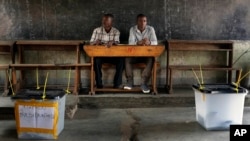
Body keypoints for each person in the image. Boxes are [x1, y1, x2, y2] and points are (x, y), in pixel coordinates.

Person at [124, 14, 158, 93]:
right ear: (137, 22)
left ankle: (144, 83)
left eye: (144, 21)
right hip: (135, 55)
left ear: (146, 22)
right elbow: (130, 43)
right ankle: (129, 82)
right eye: (140, 21)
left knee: (151, 59)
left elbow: (155, 42)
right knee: (127, 59)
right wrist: (139, 42)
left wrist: (149, 42)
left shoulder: (150, 29)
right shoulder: (132, 29)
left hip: (146, 55)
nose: (142, 23)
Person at [90, 14, 124, 89]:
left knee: (121, 60)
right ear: (102, 22)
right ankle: (99, 84)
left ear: (112, 23)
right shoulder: (96, 30)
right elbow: (90, 43)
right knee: (96, 61)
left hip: (113, 56)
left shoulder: (116, 31)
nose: (106, 24)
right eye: (104, 22)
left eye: (108, 23)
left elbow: (117, 42)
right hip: (101, 56)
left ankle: (117, 84)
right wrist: (95, 42)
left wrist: (113, 42)